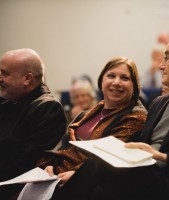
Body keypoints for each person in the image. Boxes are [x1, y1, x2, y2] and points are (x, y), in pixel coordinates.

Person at [46, 34, 169, 200]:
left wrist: (163, 157)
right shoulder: (160, 102)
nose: (161, 65)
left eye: (167, 57)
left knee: (95, 182)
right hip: (142, 176)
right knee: (95, 178)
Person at [37, 56, 147, 184]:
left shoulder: (136, 116)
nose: (116, 82)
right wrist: (50, 166)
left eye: (125, 78)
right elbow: (62, 146)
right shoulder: (84, 115)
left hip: (88, 184)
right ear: (101, 81)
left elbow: (106, 160)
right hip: (54, 177)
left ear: (135, 86)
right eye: (111, 76)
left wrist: (76, 175)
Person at [0, 48, 67, 199]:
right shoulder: (7, 104)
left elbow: (22, 165)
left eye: (5, 74)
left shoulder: (48, 109)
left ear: (27, 79)